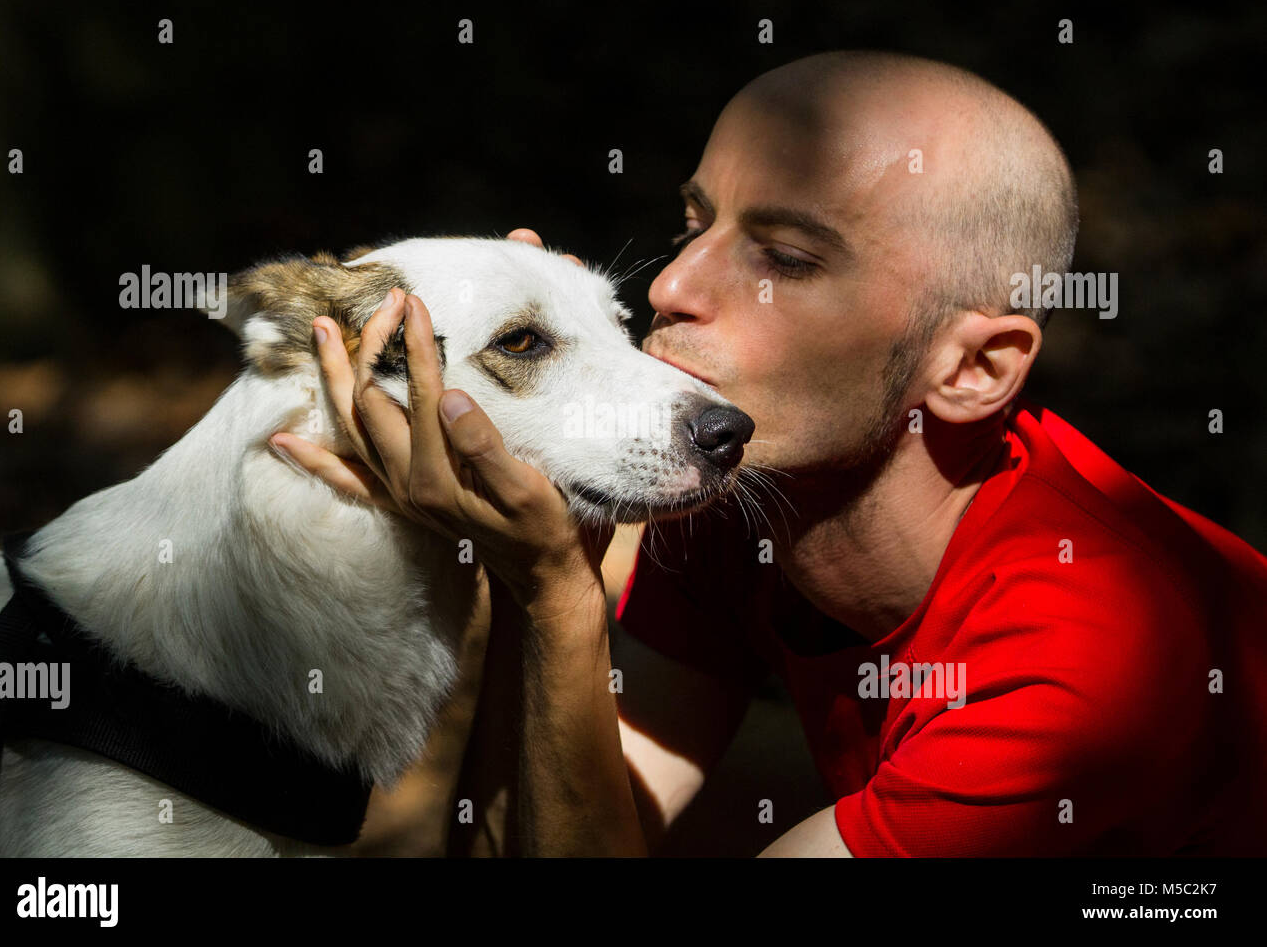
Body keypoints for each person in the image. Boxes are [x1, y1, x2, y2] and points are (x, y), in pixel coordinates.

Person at [271, 51, 1267, 856]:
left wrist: (548, 593)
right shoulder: (742, 497)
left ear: (971, 369)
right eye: (694, 223)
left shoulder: (1086, 654)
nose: (670, 283)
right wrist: (550, 553)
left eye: (785, 258)